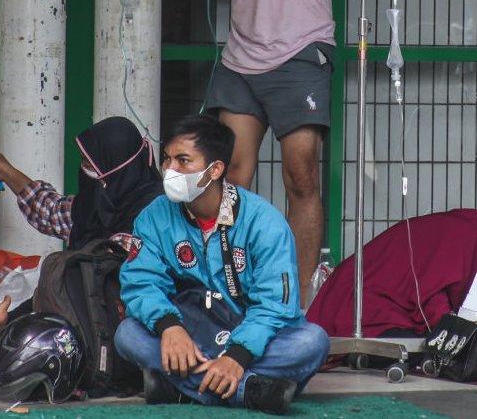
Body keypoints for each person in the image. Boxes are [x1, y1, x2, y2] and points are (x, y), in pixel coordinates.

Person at [123, 0, 334, 305]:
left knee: (301, 179)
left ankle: (294, 301)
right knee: (231, 178)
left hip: (296, 53)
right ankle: (234, 293)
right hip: (242, 57)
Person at [114, 116, 328, 414]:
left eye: (183, 161)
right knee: (127, 334)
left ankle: (183, 389)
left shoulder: (264, 222)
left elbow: (275, 307)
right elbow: (140, 282)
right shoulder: (153, 216)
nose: (169, 170)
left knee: (311, 342)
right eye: (166, 159)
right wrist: (169, 327)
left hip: (250, 339)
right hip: (190, 336)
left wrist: (237, 355)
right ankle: (251, 392)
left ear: (215, 169)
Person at [306, 203, 477, 337]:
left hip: (375, 294)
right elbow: (430, 294)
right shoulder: (465, 237)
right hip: (364, 300)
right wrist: (454, 329)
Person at [0, 116, 162, 252]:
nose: (84, 168)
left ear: (116, 168)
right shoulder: (100, 206)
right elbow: (52, 212)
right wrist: (7, 172)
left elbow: (114, 272)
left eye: (90, 163)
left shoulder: (154, 217)